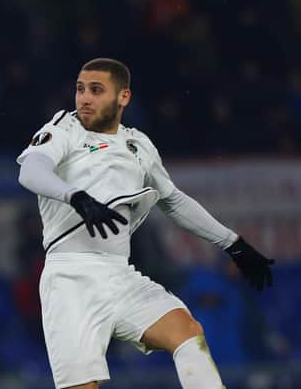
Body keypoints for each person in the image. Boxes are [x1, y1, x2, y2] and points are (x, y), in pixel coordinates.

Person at [16, 58, 274, 389]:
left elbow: (174, 201)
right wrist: (75, 196)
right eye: (80, 89)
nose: (84, 98)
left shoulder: (138, 146)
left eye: (96, 90)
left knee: (187, 332)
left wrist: (233, 244)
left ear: (123, 97)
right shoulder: (63, 130)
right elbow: (31, 171)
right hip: (69, 279)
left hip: (119, 274)